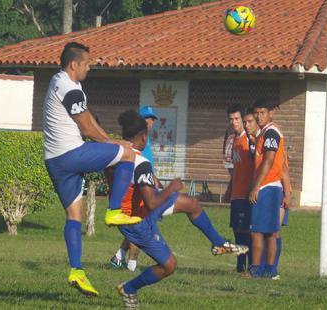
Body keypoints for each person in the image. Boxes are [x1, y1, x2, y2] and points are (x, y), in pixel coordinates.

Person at [113, 110, 248, 308]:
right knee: (169, 265)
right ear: (143, 136)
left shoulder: (118, 152)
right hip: (138, 219)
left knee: (192, 204)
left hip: (141, 208)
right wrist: (171, 188)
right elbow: (151, 202)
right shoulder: (139, 162)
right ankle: (129, 288)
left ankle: (219, 244)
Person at [42, 42, 142, 296]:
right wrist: (113, 143)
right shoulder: (68, 87)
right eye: (87, 63)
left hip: (54, 160)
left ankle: (76, 271)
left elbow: (88, 121)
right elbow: (87, 128)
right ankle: (114, 210)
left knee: (75, 215)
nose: (89, 67)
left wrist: (109, 141)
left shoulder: (63, 82)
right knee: (127, 154)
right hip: (70, 154)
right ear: (74, 64)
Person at [109, 105, 160, 272]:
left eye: (153, 119)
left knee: (139, 226)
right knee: (139, 226)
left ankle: (119, 256)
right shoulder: (137, 143)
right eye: (148, 119)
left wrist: (154, 180)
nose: (151, 122)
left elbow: (147, 168)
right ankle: (131, 266)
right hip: (137, 190)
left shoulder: (145, 141)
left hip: (144, 185)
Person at [248, 100, 286, 279]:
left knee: (257, 231)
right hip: (270, 185)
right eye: (257, 112)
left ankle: (256, 270)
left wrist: (256, 186)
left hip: (267, 186)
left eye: (262, 112)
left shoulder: (271, 132)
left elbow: (269, 160)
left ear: (271, 113)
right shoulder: (264, 132)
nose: (259, 116)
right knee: (270, 232)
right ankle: (270, 271)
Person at [226, 104, 259, 275]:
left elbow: (256, 165)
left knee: (247, 231)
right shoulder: (234, 140)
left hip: (247, 193)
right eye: (231, 119)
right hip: (236, 193)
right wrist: (230, 187)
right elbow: (235, 167)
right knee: (237, 231)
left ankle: (252, 267)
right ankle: (240, 267)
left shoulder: (249, 139)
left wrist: (253, 188)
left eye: (237, 119)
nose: (235, 122)